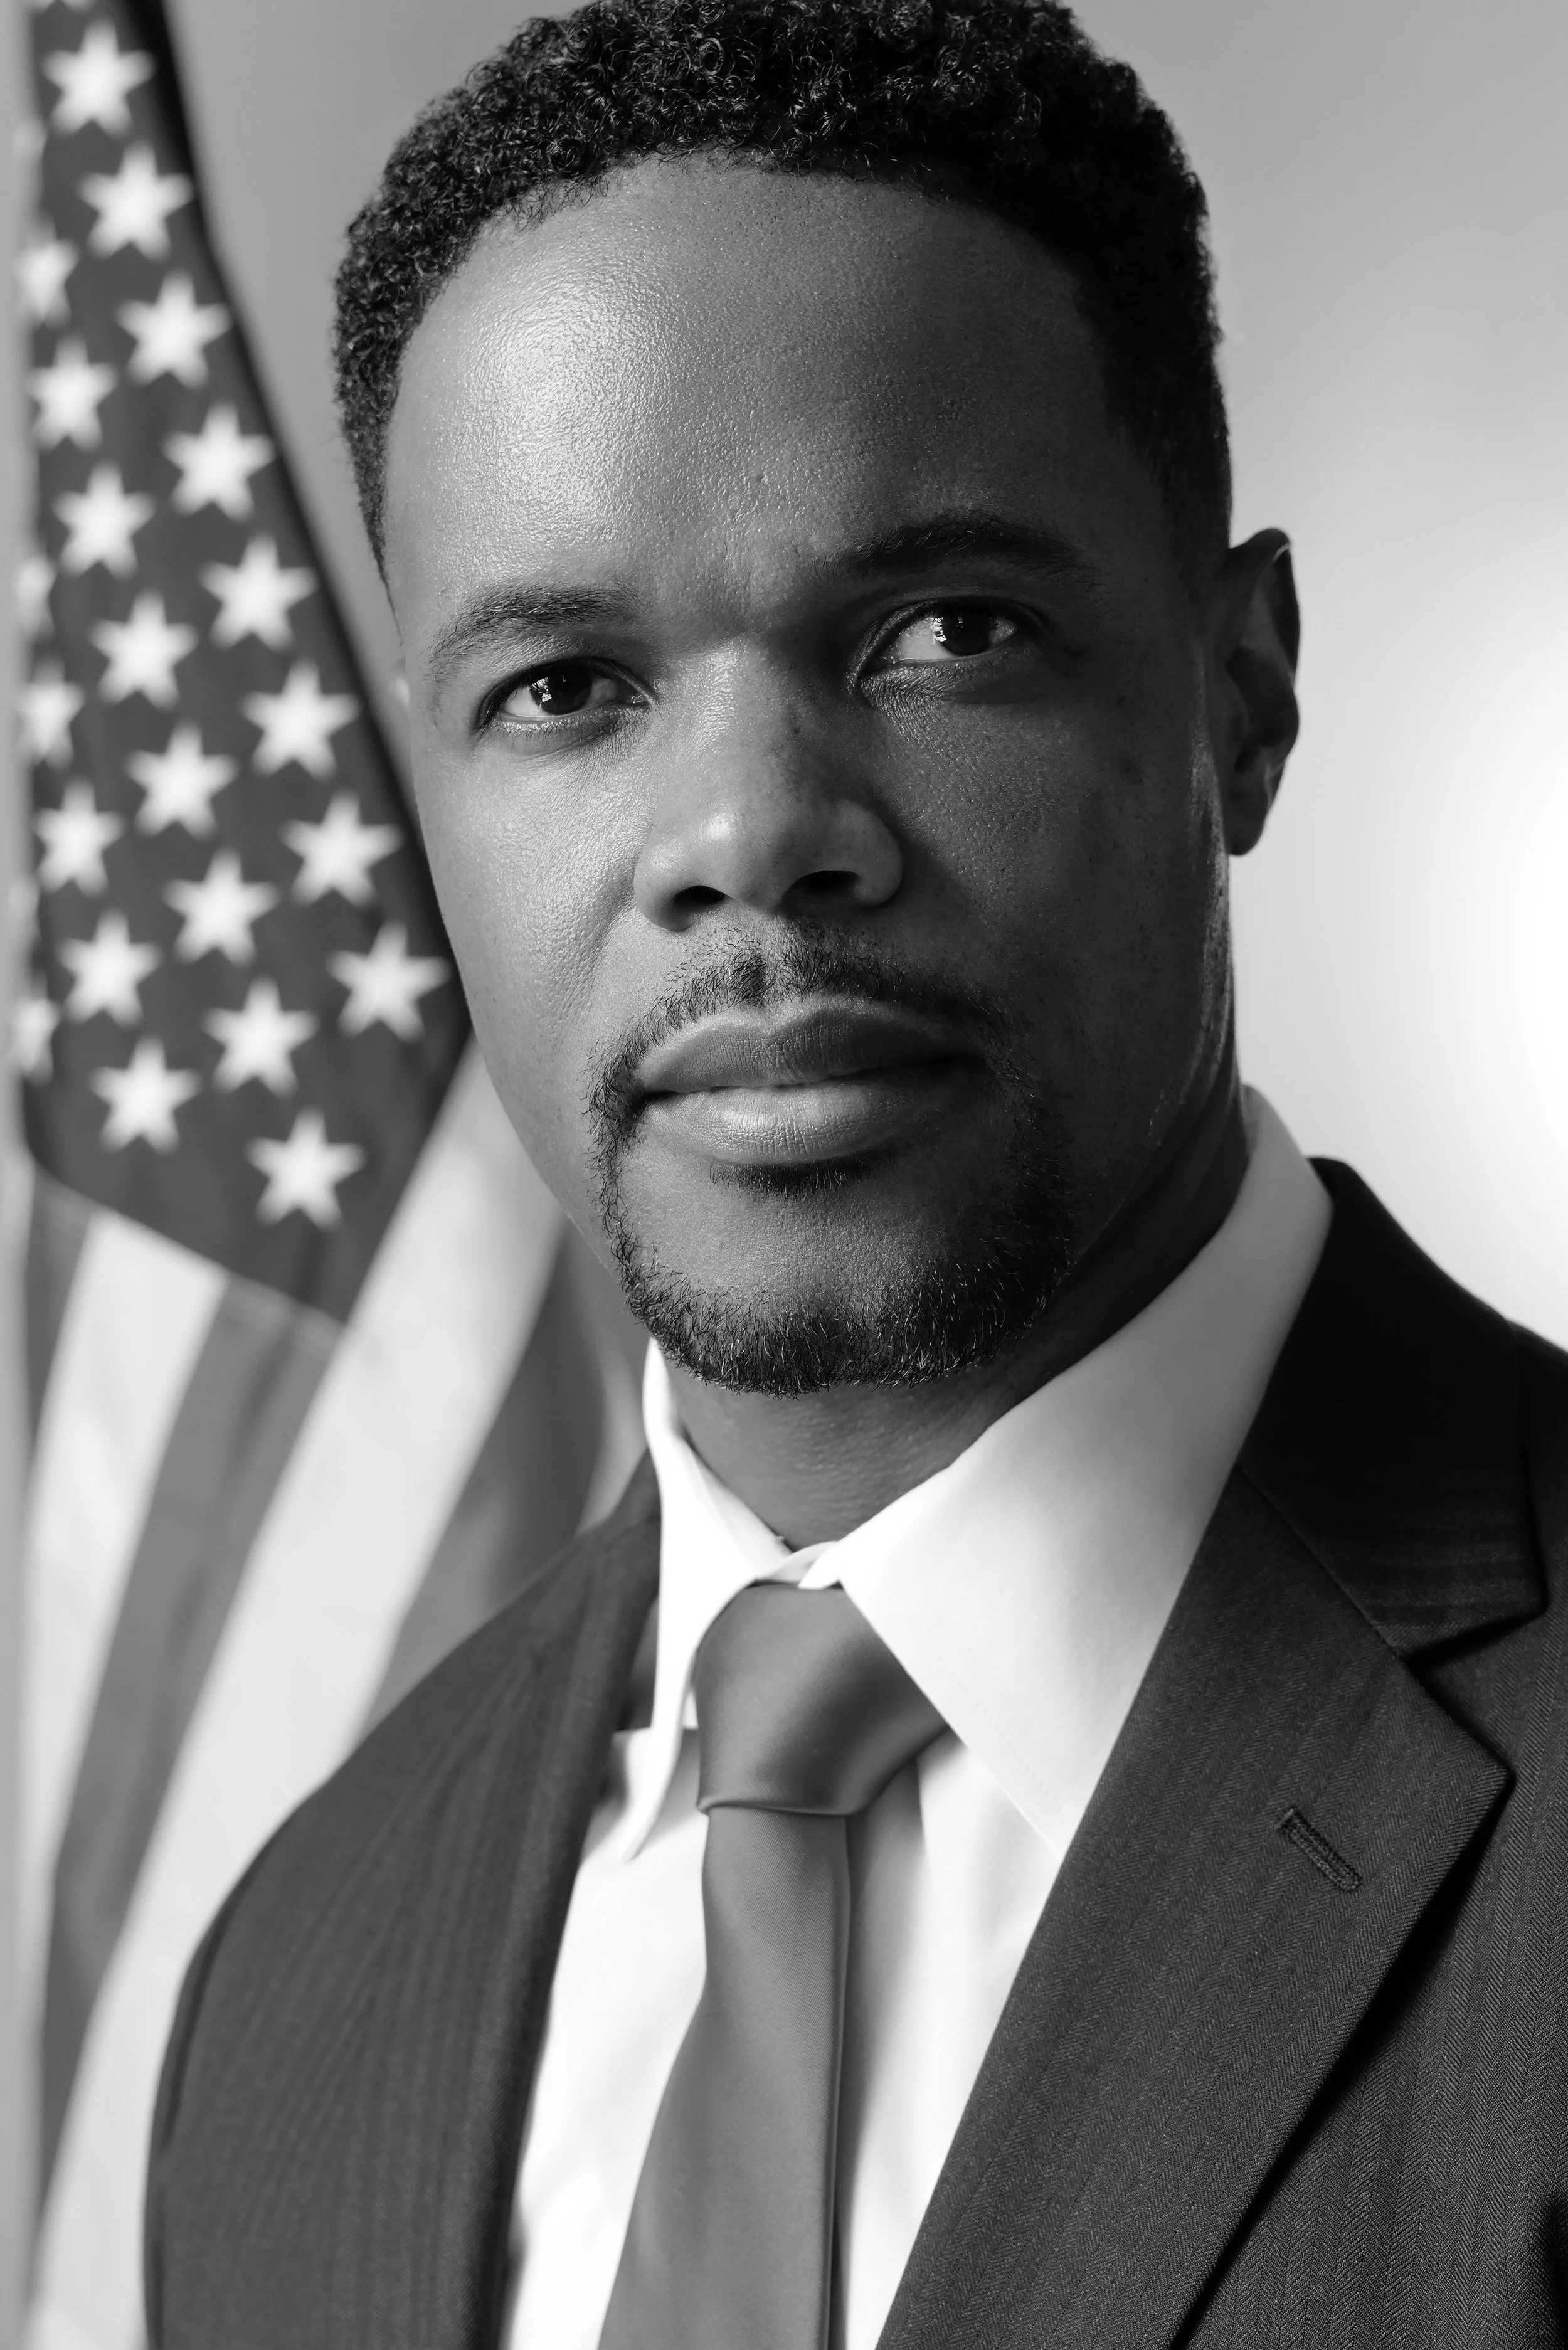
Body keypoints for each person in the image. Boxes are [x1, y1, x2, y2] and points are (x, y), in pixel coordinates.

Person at [144, 1, 1568, 2342]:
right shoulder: (301, 1971)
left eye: (940, 632)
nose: (746, 841)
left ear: (1242, 699)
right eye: (567, 689)